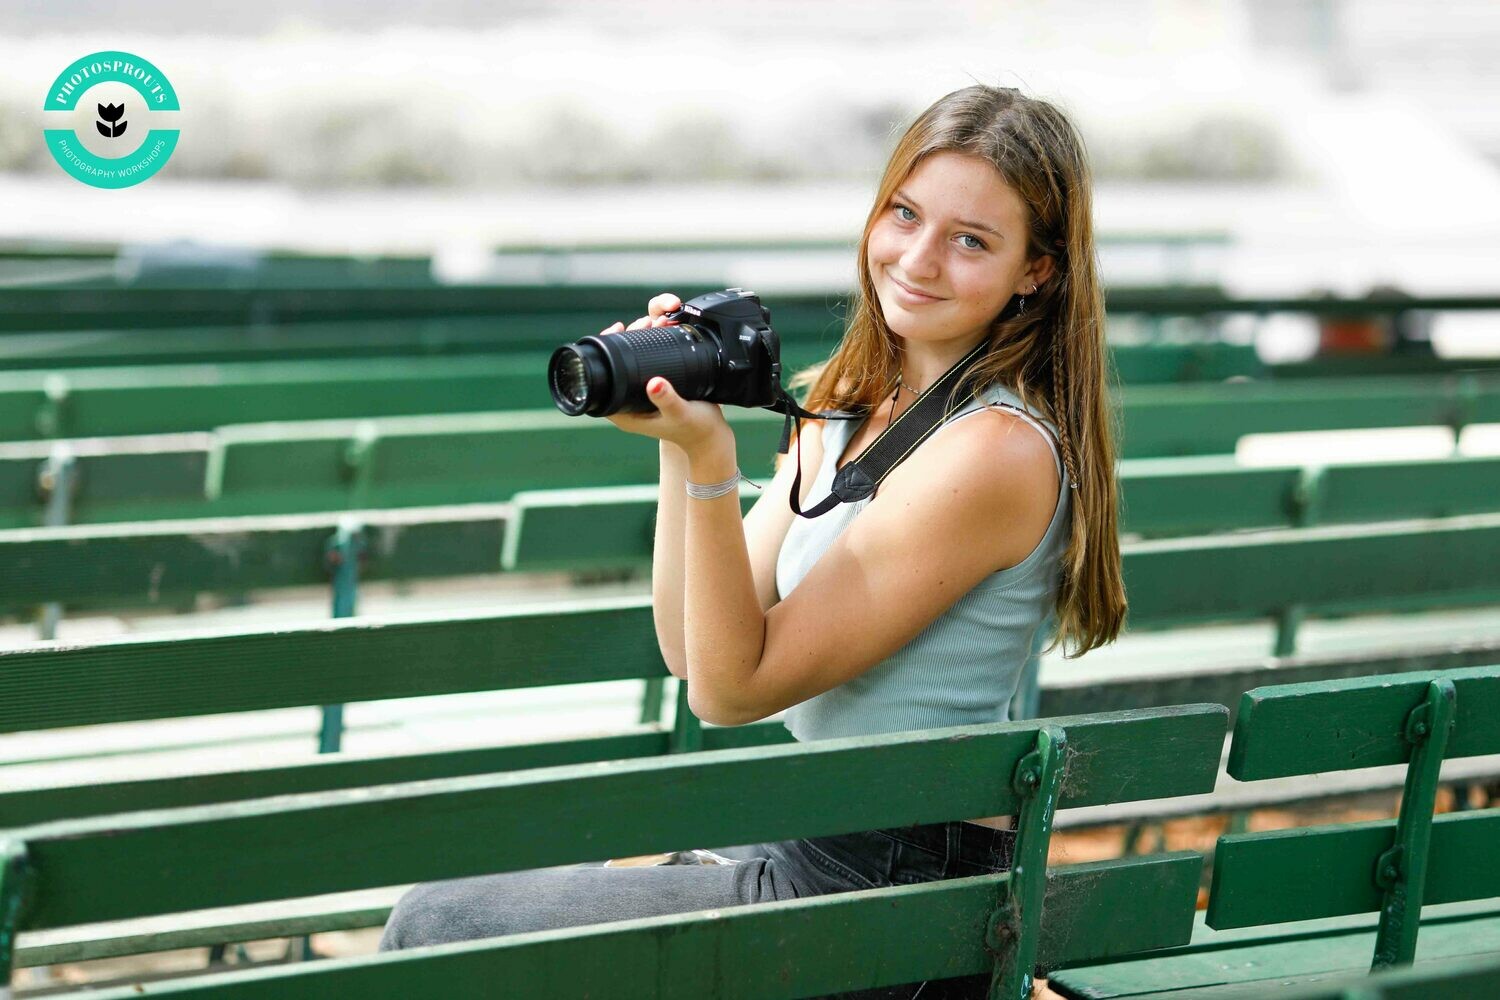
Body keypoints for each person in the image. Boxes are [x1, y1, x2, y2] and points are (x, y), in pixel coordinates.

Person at [380, 82, 1127, 999]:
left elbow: (733, 695)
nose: (918, 258)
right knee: (527, 891)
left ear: (1035, 273)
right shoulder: (854, 405)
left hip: (897, 901)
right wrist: (672, 434)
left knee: (435, 926)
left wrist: (709, 460)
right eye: (904, 214)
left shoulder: (995, 452)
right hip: (826, 851)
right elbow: (692, 654)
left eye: (970, 240)